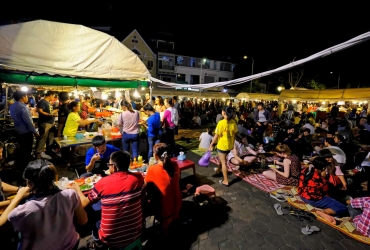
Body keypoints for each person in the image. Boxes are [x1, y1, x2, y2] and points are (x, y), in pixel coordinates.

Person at [70, 151, 144, 249]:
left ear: (114, 167)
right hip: (137, 231)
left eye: (109, 164)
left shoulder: (103, 183)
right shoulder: (138, 177)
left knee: (92, 209)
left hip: (111, 239)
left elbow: (84, 203)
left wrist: (77, 189)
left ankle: (98, 241)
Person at [7, 160, 87, 249]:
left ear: (29, 183)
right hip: (70, 245)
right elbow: (83, 220)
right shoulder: (70, 194)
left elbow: (2, 224)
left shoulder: (24, 210)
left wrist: (18, 197)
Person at [298, 157, 348, 224]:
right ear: (323, 168)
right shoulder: (319, 179)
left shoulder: (305, 170)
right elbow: (327, 191)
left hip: (302, 195)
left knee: (335, 199)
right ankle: (323, 212)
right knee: (343, 208)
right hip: (313, 200)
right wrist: (324, 178)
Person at [145, 143, 182, 231]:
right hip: (178, 204)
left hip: (164, 209)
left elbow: (145, 185)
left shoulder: (152, 169)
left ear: (155, 156)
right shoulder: (175, 165)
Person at [9, 91, 39, 172]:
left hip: (18, 131)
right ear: (22, 97)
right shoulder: (24, 107)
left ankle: (18, 167)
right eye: (26, 96)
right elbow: (28, 122)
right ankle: (25, 170)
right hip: (26, 133)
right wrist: (35, 132)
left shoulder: (12, 106)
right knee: (26, 152)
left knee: (20, 150)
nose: (27, 98)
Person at [209, 107, 237, 186]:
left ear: (224, 113)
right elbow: (234, 134)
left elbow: (216, 136)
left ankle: (225, 180)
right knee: (222, 159)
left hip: (222, 146)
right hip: (229, 146)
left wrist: (211, 145)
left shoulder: (221, 123)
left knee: (224, 162)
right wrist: (232, 144)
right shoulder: (233, 122)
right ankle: (218, 169)